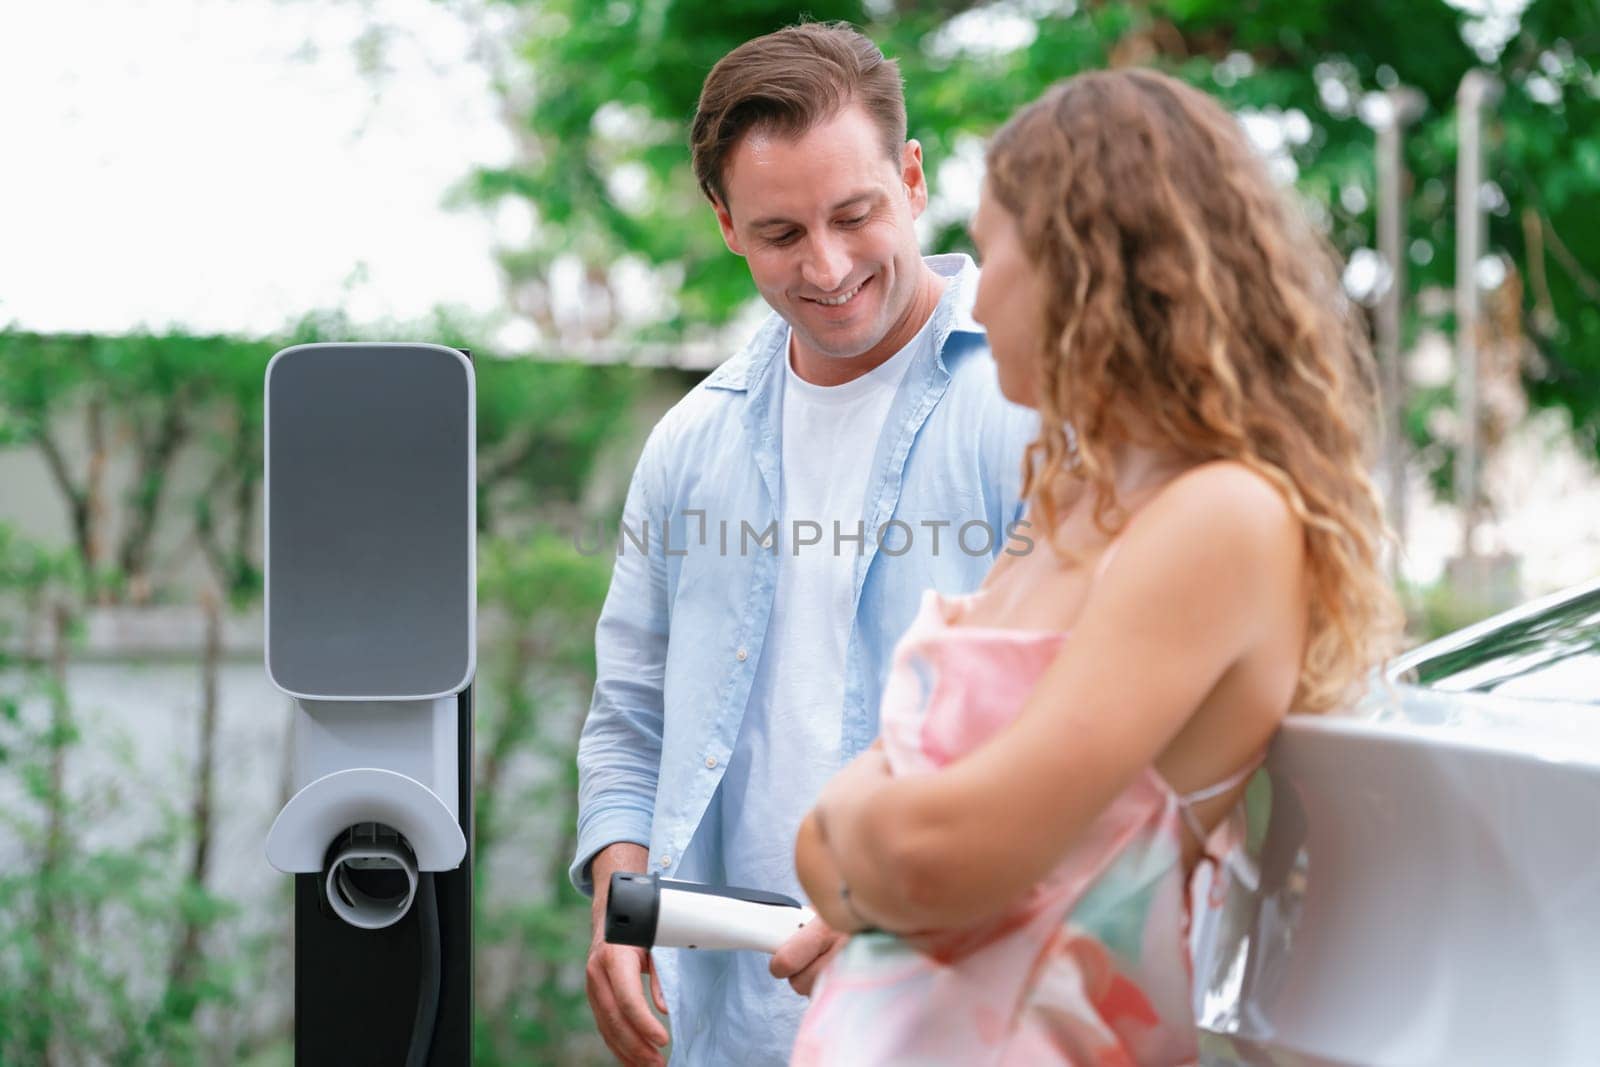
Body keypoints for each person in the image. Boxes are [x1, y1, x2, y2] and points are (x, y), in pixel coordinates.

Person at [791, 68, 1403, 1065]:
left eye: (994, 251)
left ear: (1087, 267)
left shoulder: (1219, 515)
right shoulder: (1071, 496)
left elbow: (933, 851)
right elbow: (855, 854)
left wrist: (854, 831)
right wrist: (869, 849)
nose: (976, 291)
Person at [571, 21, 1037, 1067]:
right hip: (732, 1022)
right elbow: (630, 713)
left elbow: (1087, 732)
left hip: (958, 1015)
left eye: (854, 214)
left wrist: (900, 889)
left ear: (912, 179)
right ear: (726, 224)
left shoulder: (1034, 401)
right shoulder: (690, 442)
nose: (825, 268)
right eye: (780, 233)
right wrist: (619, 887)